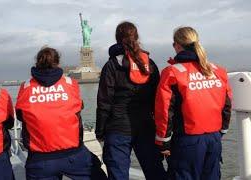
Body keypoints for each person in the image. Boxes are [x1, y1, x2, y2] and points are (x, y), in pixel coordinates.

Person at [15, 47, 106, 180]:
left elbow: (20, 116)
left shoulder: (26, 87)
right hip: (73, 154)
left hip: (40, 158)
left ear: (37, 63)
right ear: (57, 63)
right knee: (97, 174)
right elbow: (78, 107)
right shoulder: (70, 83)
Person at [155, 26, 232, 180]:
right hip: (214, 139)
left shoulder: (172, 72)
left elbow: (164, 110)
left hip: (187, 141)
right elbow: (227, 104)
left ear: (177, 45)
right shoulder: (217, 71)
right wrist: (222, 131)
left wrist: (163, 142)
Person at [96, 21, 166, 180]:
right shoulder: (150, 64)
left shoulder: (112, 65)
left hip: (117, 129)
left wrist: (100, 131)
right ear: (137, 37)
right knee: (155, 171)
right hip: (146, 126)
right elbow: (160, 99)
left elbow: (104, 102)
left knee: (118, 174)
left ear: (117, 39)